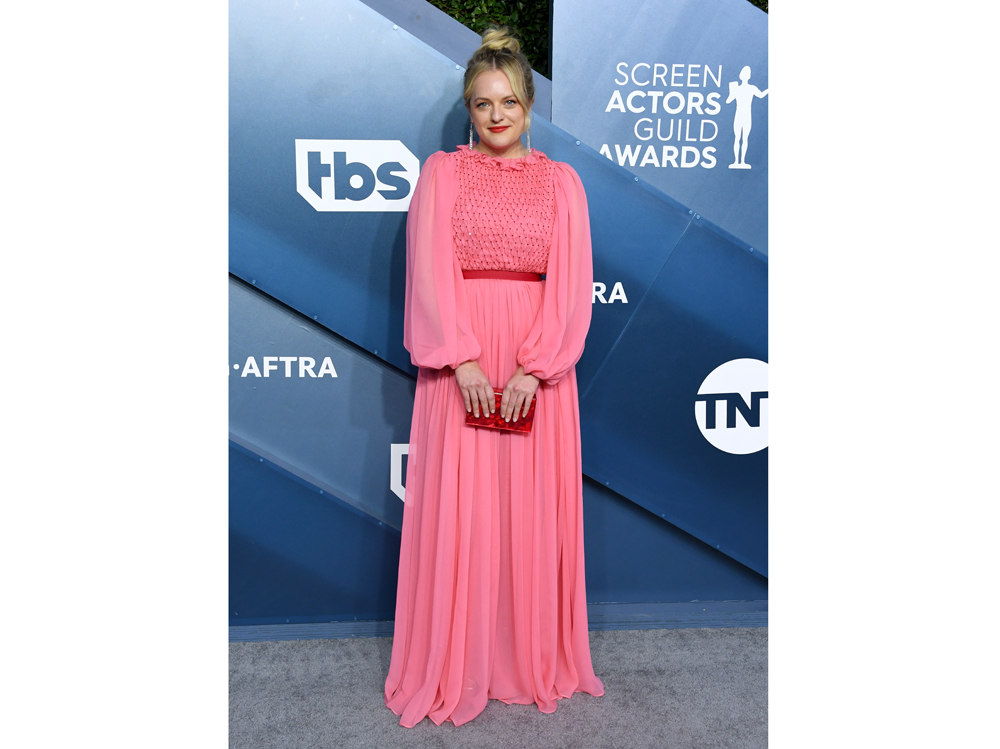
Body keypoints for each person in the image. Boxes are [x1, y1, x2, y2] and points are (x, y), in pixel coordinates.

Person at [384, 26, 605, 728]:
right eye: (483, 103)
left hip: (538, 366)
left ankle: (523, 656)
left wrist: (537, 368)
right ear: (468, 109)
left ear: (530, 106)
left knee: (528, 514)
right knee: (466, 513)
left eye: (509, 101)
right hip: (464, 363)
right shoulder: (442, 174)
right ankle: (461, 657)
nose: (497, 115)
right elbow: (428, 270)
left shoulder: (562, 183)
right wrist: (463, 358)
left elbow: (571, 282)